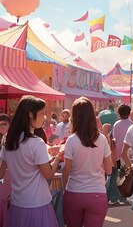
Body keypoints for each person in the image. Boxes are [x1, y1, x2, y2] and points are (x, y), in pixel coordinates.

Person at [0, 96, 63, 227]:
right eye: (42, 113)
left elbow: (1, 172)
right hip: (37, 203)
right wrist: (58, 157)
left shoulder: (8, 140)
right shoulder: (36, 143)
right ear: (30, 114)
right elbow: (48, 174)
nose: (44, 117)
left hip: (17, 202)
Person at [62, 97, 113, 227]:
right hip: (97, 193)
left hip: (74, 192)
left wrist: (64, 189)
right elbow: (109, 170)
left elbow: (66, 171)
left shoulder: (71, 140)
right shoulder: (102, 139)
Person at [111, 103, 133, 205]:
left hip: (118, 154)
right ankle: (123, 196)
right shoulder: (132, 125)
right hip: (128, 154)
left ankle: (115, 196)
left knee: (118, 174)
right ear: (129, 113)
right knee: (126, 175)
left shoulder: (116, 124)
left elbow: (114, 139)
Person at [0, 113, 11, 226]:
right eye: (0, 124)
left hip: (10, 174)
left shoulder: (12, 139)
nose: (2, 126)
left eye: (4, 124)